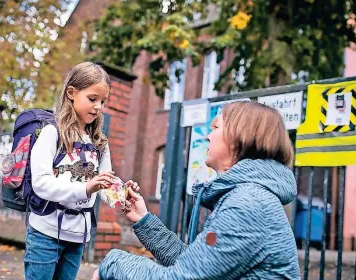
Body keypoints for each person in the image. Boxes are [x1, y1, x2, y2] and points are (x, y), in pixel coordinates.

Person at [93, 101, 300, 279]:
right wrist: (144, 220)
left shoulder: (247, 205)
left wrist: (111, 263)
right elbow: (194, 264)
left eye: (216, 128)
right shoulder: (248, 197)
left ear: (239, 139)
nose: (208, 136)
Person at [25, 62, 138, 280]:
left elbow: (105, 186)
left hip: (78, 236)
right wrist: (86, 187)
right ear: (71, 93)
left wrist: (123, 195)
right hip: (45, 233)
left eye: (103, 102)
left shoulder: (99, 142)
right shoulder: (52, 133)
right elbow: (41, 183)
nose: (98, 107)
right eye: (92, 99)